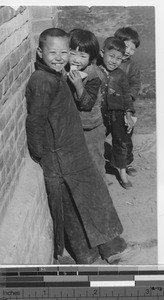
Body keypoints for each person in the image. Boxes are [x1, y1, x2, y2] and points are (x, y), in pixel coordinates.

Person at [25, 28, 127, 264]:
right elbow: (35, 120)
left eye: (64, 52)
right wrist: (39, 154)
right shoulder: (41, 80)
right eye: (53, 52)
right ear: (40, 52)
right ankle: (87, 254)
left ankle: (109, 247)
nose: (60, 57)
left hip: (73, 150)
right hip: (59, 155)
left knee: (92, 195)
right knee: (71, 203)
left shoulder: (56, 74)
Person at [67, 29, 106, 179]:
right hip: (73, 125)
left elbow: (87, 104)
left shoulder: (94, 75)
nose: (76, 60)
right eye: (72, 53)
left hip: (91, 127)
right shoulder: (66, 69)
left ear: (91, 58)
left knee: (94, 161)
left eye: (82, 56)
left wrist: (78, 85)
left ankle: (100, 195)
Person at [99, 36, 136, 189]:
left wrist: (128, 113)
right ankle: (99, 172)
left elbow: (127, 96)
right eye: (111, 56)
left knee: (120, 142)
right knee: (96, 143)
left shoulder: (120, 75)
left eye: (119, 59)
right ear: (102, 53)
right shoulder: (96, 70)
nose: (114, 61)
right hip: (99, 114)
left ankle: (122, 172)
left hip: (117, 114)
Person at [114, 27, 141, 176]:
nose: (129, 51)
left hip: (124, 106)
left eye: (133, 48)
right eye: (127, 46)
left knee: (126, 136)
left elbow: (135, 85)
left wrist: (128, 99)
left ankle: (126, 162)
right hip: (106, 105)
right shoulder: (108, 58)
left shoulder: (132, 66)